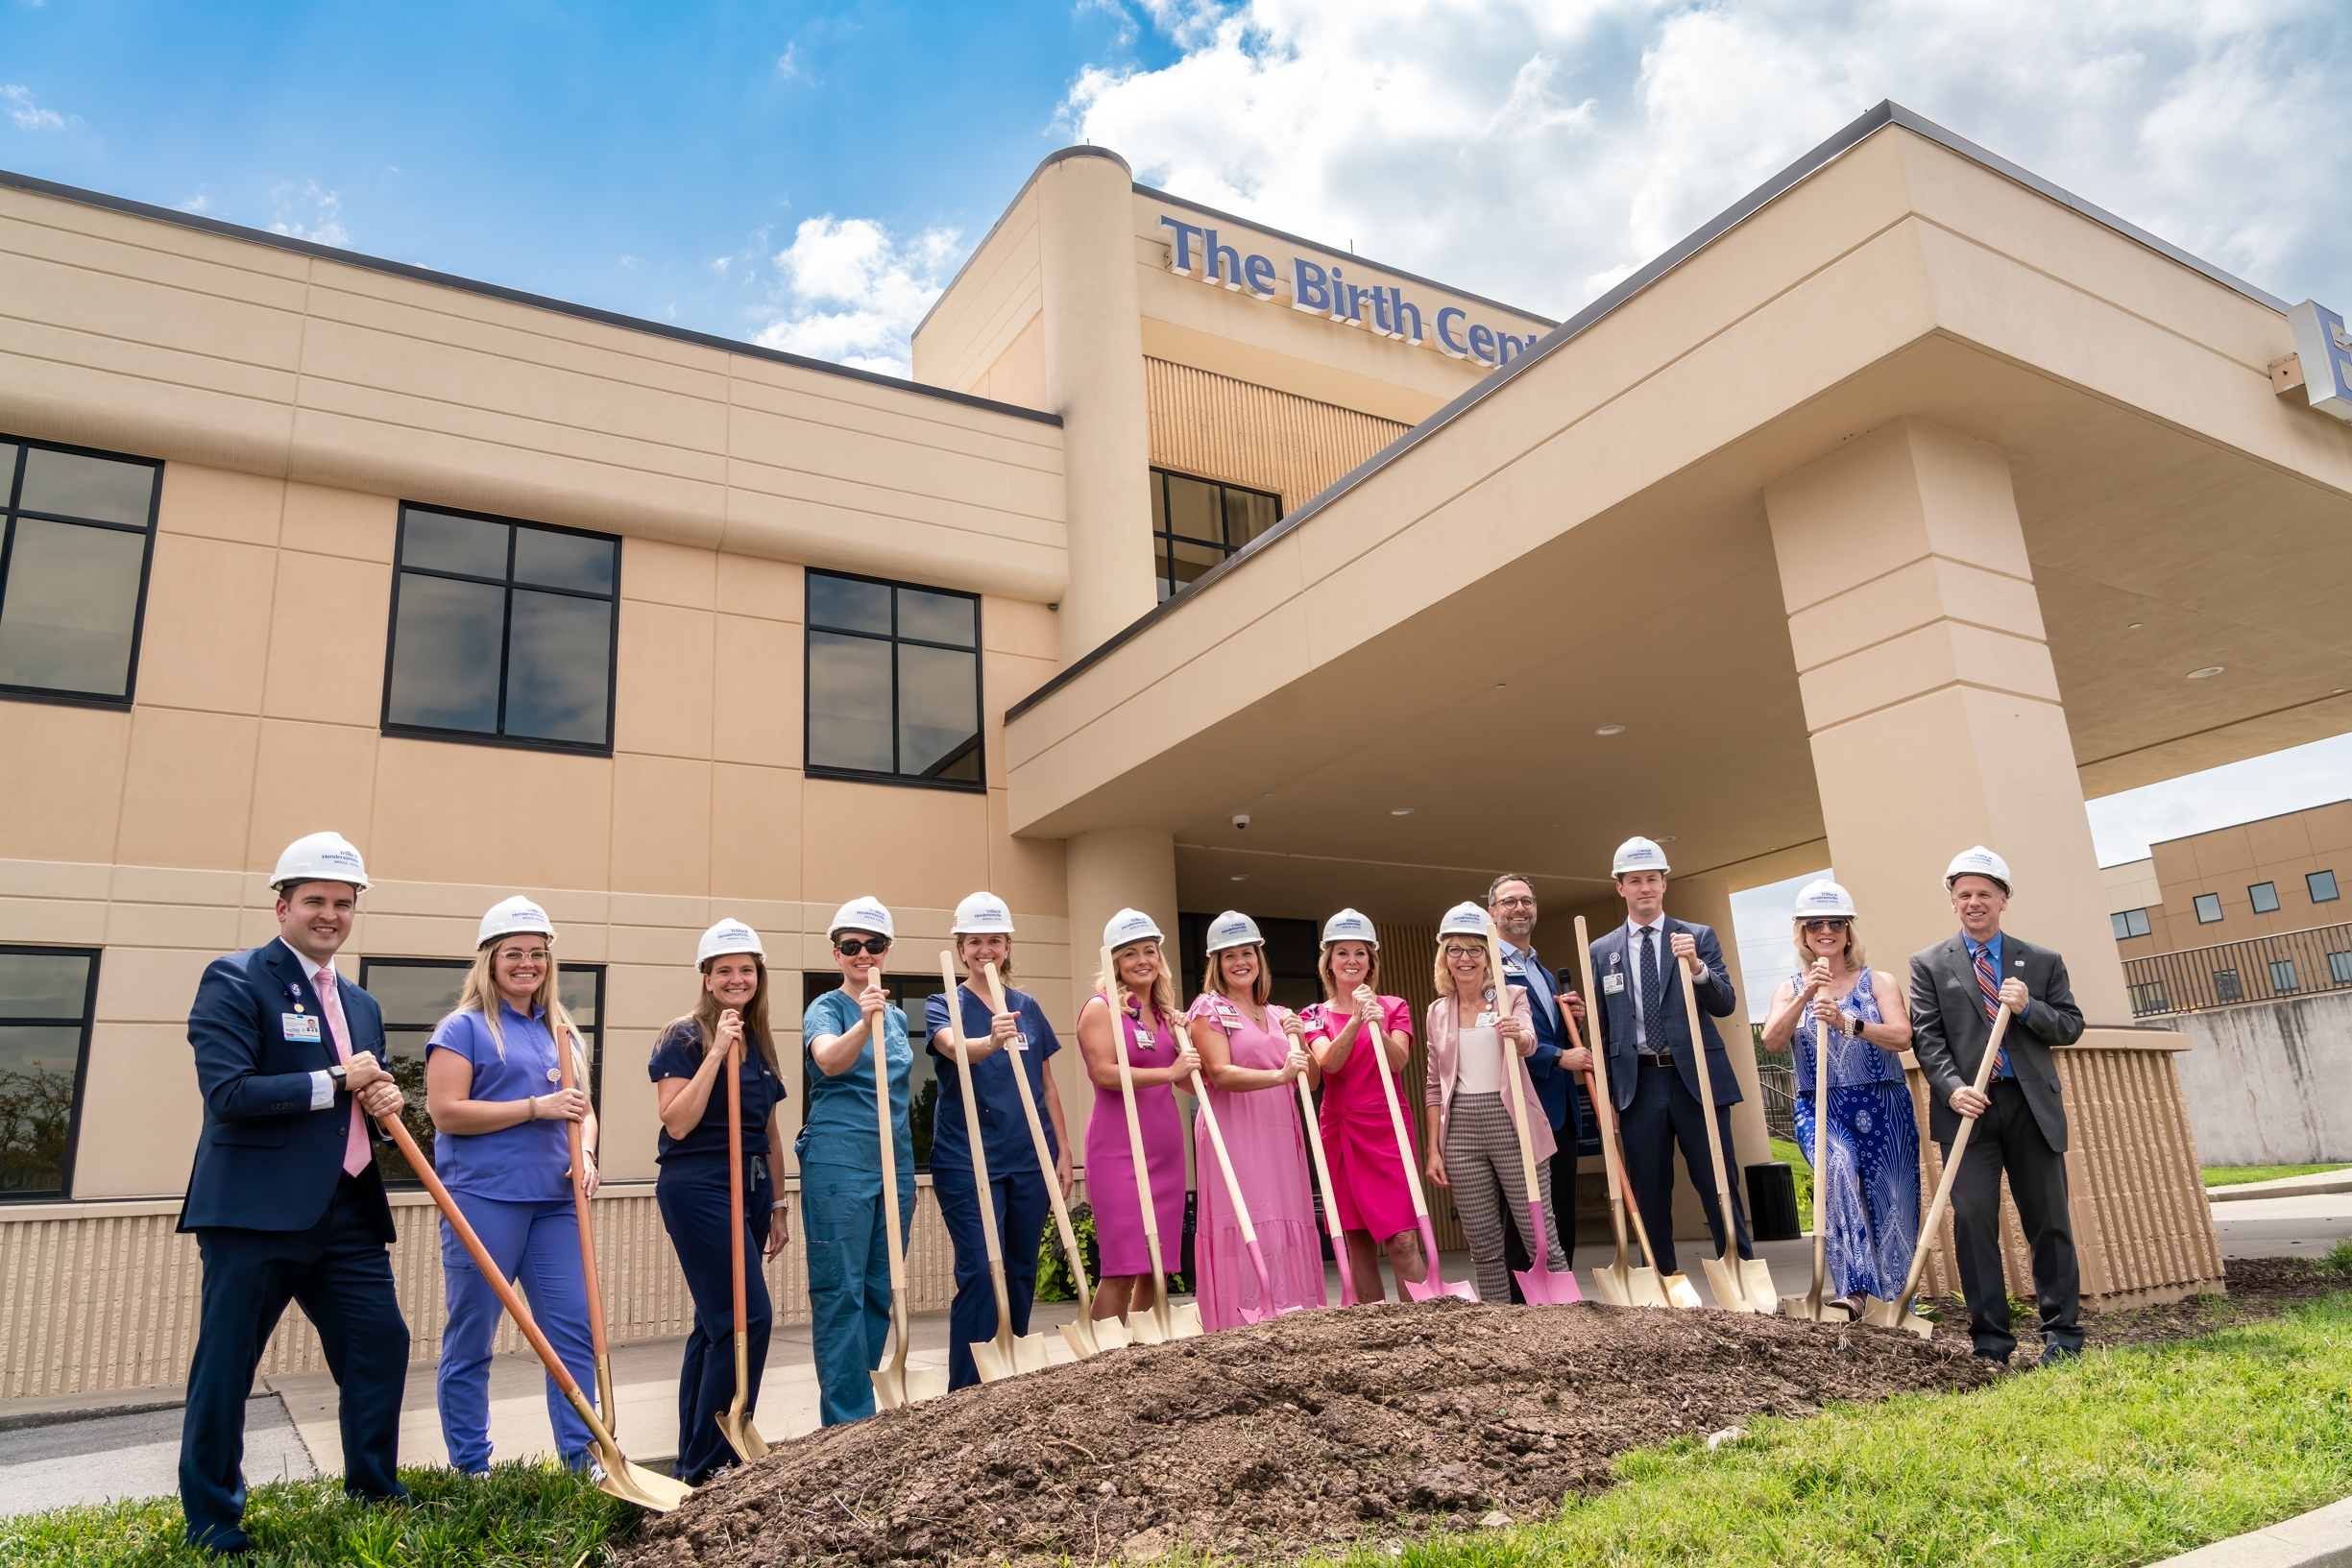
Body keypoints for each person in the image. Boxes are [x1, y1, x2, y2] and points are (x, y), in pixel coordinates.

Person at [178, 832, 410, 1556]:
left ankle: (374, 1486)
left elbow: (356, 1094)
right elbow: (230, 1093)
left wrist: (381, 1097)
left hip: (346, 1209)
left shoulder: (363, 1004)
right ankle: (214, 1516)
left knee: (380, 1343)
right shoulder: (236, 979)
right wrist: (338, 1080)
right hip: (255, 1212)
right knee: (228, 1365)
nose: (330, 914)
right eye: (315, 900)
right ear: (283, 904)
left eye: (343, 903)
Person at [424, 896, 599, 1476]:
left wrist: (588, 1151)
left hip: (555, 1203)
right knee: (474, 1335)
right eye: (513, 954)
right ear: (490, 960)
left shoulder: (561, 1029)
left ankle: (584, 1463)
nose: (527, 963)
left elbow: (581, 1110)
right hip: (484, 1198)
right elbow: (446, 1112)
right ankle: (472, 1468)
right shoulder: (464, 1027)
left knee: (572, 1332)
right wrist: (533, 1107)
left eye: (538, 954)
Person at [1910, 846, 2086, 1365]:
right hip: (1969, 1109)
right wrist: (1950, 1087)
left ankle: (2063, 1337)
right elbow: (1927, 1037)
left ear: (2004, 900)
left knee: (2049, 1221)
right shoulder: (1928, 964)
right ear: (1952, 903)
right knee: (1974, 1220)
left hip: (2031, 1105)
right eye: (1963, 894)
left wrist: (2029, 1007)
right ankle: (1990, 1342)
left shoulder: (2042, 961)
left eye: (1984, 893)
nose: (1973, 902)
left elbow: (2071, 1026)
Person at [649, 919, 790, 1485]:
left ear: (758, 977)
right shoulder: (682, 1035)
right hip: (700, 1183)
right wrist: (717, 1053)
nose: (736, 979)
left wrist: (779, 1204)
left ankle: (693, 1458)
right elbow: (676, 1121)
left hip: (752, 1185)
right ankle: (715, 1460)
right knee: (746, 1318)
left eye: (746, 970)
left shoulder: (761, 1039)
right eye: (724, 970)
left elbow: (770, 1132)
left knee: (714, 1326)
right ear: (707, 979)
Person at [924, 891, 1075, 1390]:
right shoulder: (943, 1000)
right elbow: (951, 1047)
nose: (985, 949)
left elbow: (1047, 1084)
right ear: (961, 948)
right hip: (968, 1159)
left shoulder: (1027, 1007)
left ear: (1008, 945)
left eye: (994, 940)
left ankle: (1008, 1379)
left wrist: (1063, 1151)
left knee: (1019, 1268)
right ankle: (966, 1389)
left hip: (1029, 1156)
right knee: (980, 1270)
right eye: (974, 942)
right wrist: (989, 1041)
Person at [1584, 836, 1755, 1277]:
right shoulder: (1602, 952)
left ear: (1665, 885)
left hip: (1697, 1077)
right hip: (1638, 1084)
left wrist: (1697, 968)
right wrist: (1604, 1097)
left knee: (1719, 1183)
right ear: (1619, 887)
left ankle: (1741, 1273)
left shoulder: (1696, 937)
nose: (1645, 888)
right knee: (1650, 1191)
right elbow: (1601, 1032)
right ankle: (1661, 1285)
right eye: (1635, 880)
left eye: (1653, 880)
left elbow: (1726, 1004)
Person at [1759, 880, 1917, 1318]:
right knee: (1838, 1168)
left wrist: (1850, 1023)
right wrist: (1809, 994)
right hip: (1821, 1106)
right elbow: (1772, 1040)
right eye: (1814, 925)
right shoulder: (1790, 988)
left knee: (1892, 1199)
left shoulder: (1878, 981)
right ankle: (1853, 1290)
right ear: (1802, 933)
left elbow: (1903, 1037)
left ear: (1849, 931)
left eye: (1835, 923)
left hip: (1884, 1103)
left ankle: (1894, 1305)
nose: (1825, 931)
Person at [799, 897, 915, 1427]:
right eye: (851, 946)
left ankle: (862, 1403)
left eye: (873, 945)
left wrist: (879, 1017)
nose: (862, 953)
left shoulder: (898, 1015)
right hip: (839, 1163)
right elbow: (828, 1059)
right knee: (840, 1289)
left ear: (887, 950)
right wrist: (863, 1022)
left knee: (879, 1287)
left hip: (894, 1161)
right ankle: (845, 1420)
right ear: (836, 952)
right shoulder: (827, 1007)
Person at [1421, 903, 1570, 1304]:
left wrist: (1517, 1036)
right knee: (1484, 1246)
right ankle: (1500, 1329)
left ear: (1488, 955)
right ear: (1445, 958)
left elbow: (1530, 1041)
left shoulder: (1512, 995)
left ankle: (1565, 1322)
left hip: (1513, 1121)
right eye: (1455, 950)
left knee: (1540, 1236)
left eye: (1474, 949)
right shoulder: (1437, 1012)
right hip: (1461, 1134)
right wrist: (1434, 1149)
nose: (1465, 958)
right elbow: (1434, 1086)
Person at [1185, 910, 1321, 1327]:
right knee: (1246, 1215)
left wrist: (1300, 1042)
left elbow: (1310, 1081)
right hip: (1234, 1130)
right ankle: (1241, 1314)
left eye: (1248, 952)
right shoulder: (1208, 1007)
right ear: (1216, 963)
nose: (1240, 962)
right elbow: (1220, 1074)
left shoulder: (1279, 1013)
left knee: (1283, 1213)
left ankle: (1292, 1307)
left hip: (1280, 1131)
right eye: (1229, 956)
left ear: (1260, 958)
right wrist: (1280, 1074)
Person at [1298, 908, 1429, 1301]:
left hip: (1387, 1127)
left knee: (1403, 1237)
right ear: (1329, 963)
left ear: (1371, 962)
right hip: (1339, 1129)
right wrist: (1356, 1021)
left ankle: (1425, 1327)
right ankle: (1373, 1333)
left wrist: (1376, 1024)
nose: (1352, 960)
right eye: (1342, 953)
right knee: (1357, 1241)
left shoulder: (1394, 1006)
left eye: (1360, 953)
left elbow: (1399, 1062)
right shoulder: (1313, 1015)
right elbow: (1329, 1064)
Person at [1078, 908, 1199, 1327]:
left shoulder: (1167, 1015)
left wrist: (1189, 1039)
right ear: (1115, 962)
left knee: (1157, 1269)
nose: (1143, 959)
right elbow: (1104, 1073)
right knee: (1122, 1266)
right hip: (1119, 1150)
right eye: (1130, 953)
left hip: (1166, 1149)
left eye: (1150, 950)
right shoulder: (1101, 1008)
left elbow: (1188, 1083)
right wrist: (1170, 1071)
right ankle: (1097, 1364)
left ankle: (1144, 1361)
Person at [1485, 873, 1590, 1293]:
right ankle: (1521, 1305)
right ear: (1493, 912)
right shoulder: (1489, 966)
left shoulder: (1542, 971)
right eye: (1509, 902)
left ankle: (1558, 1296)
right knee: (1523, 1210)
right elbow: (1499, 1033)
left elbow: (1542, 1027)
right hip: (1522, 1103)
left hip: (1560, 1108)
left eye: (1526, 901)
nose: (1520, 909)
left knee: (1561, 1209)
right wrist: (1556, 1055)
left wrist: (1570, 1021)